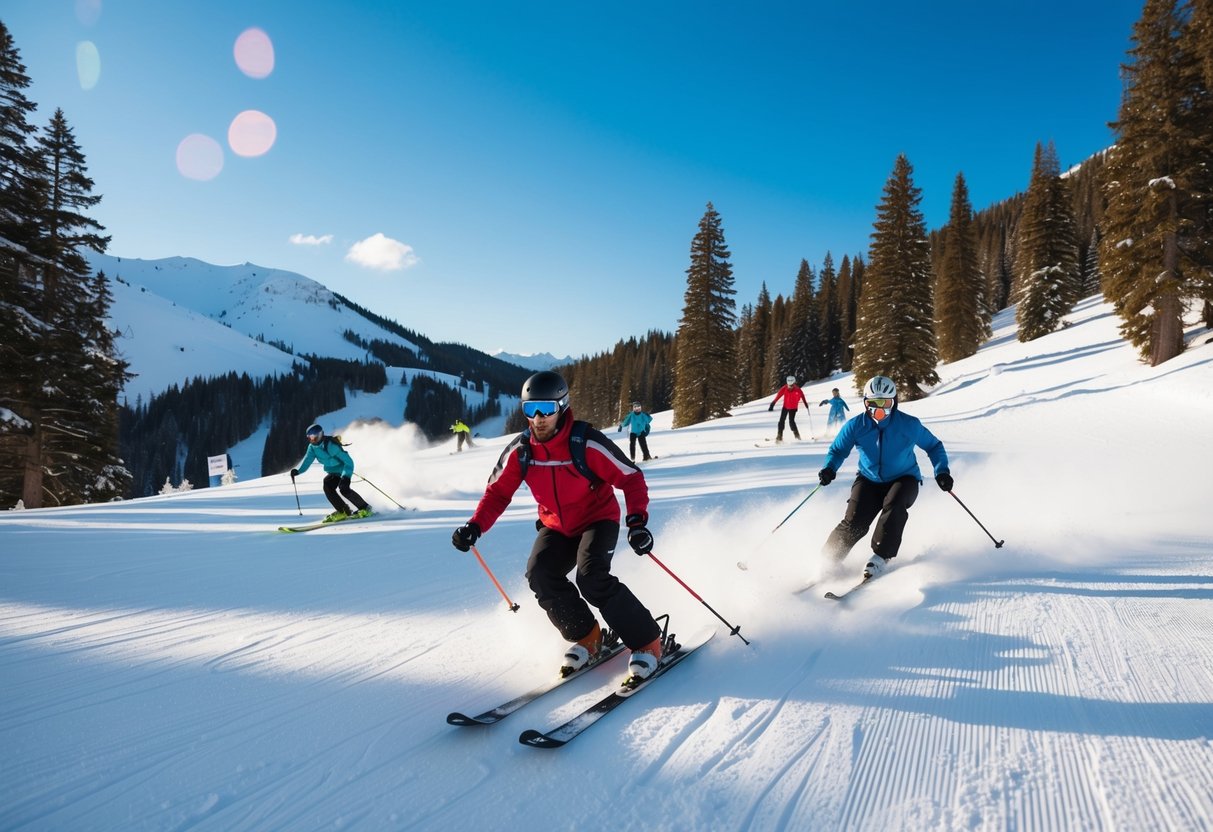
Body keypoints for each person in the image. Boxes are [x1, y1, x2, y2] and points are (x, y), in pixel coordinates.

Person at [450, 371, 664, 682]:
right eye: (530, 409)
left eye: (546, 409)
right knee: (540, 574)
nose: (538, 418)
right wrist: (475, 526)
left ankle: (647, 643)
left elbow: (631, 478)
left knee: (591, 577)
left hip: (597, 519)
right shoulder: (521, 451)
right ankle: (589, 637)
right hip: (557, 525)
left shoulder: (586, 443)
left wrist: (636, 522)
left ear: (561, 406)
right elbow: (497, 493)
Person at [815, 376, 951, 582]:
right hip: (869, 480)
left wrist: (941, 471)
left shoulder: (909, 425)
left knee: (894, 505)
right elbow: (838, 450)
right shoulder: (855, 425)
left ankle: (881, 556)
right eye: (873, 404)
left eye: (885, 404)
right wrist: (829, 468)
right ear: (865, 403)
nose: (879, 410)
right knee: (854, 521)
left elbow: (933, 446)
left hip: (904, 479)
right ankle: (828, 560)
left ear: (894, 402)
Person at [290, 423, 373, 523]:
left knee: (344, 489)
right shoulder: (312, 448)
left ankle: (365, 508)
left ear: (320, 435)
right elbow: (308, 460)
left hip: (343, 471)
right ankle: (343, 511)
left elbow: (348, 461)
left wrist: (346, 476)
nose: (312, 440)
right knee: (327, 485)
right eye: (309, 437)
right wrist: (298, 471)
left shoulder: (330, 446)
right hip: (333, 472)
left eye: (314, 437)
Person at [768, 375, 809, 442]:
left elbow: (803, 396)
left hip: (793, 408)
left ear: (794, 384)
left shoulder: (798, 389)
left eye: (792, 385)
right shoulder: (784, 388)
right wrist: (773, 403)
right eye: (789, 385)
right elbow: (778, 396)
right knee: (781, 421)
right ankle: (779, 437)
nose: (790, 387)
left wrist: (806, 404)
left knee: (791, 422)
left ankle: (797, 437)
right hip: (785, 407)